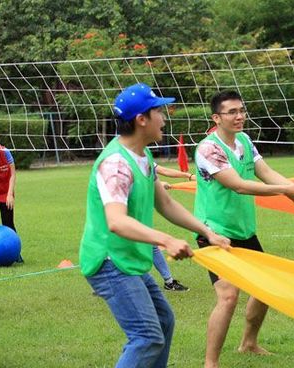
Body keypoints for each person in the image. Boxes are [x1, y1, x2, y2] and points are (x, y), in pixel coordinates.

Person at [80, 83, 230, 368]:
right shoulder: (115, 165)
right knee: (146, 337)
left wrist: (207, 232)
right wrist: (167, 240)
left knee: (163, 322)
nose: (164, 117)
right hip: (109, 261)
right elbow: (116, 221)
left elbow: (166, 204)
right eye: (159, 111)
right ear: (141, 120)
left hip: (128, 259)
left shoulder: (142, 155)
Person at [195, 90, 294, 368]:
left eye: (242, 111)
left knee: (264, 288)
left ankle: (248, 343)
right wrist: (285, 190)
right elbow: (238, 184)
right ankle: (210, 363)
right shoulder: (208, 149)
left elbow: (266, 172)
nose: (239, 117)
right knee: (228, 295)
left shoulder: (245, 141)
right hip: (214, 232)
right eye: (232, 112)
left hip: (245, 231)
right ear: (216, 118)